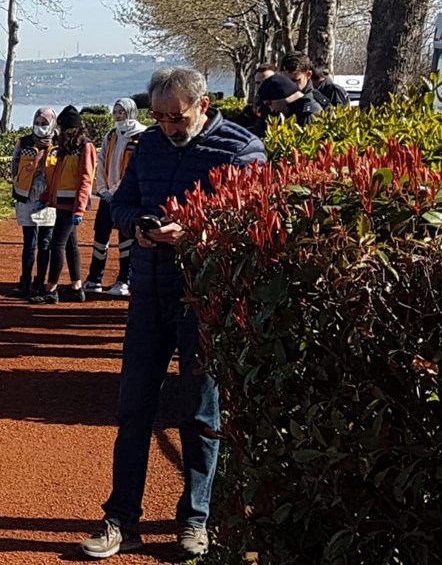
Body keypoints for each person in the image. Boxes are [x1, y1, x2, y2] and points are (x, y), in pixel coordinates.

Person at [79, 68, 265, 560]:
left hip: (202, 299)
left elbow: (253, 218)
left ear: (202, 106)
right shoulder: (150, 147)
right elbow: (123, 204)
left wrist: (197, 232)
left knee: (201, 413)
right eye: (158, 117)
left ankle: (195, 520)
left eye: (175, 118)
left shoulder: (240, 148)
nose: (165, 126)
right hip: (148, 292)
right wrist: (139, 225)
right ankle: (121, 518)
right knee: (133, 408)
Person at [28, 106, 96, 305]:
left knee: (57, 244)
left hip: (72, 205)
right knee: (69, 244)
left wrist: (80, 208)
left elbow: (86, 178)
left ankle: (51, 288)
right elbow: (56, 177)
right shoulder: (65, 148)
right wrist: (46, 197)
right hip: (62, 203)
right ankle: (76, 287)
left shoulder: (85, 146)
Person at [84, 97, 146, 297]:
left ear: (131, 113)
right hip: (106, 195)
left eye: (122, 112)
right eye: (116, 112)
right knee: (100, 236)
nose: (119, 116)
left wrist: (116, 191)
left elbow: (133, 169)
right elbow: (101, 163)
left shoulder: (142, 135)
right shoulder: (111, 135)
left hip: (129, 197)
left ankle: (124, 280)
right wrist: (102, 188)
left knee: (126, 238)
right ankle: (95, 278)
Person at [8, 108, 59, 299]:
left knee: (45, 243)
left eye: (45, 124)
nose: (40, 128)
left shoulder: (59, 144)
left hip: (50, 200)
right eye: (37, 123)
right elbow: (14, 165)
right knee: (29, 243)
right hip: (27, 197)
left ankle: (40, 282)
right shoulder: (24, 142)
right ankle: (25, 281)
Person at [258, 73, 323, 125]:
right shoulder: (286, 111)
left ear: (281, 97)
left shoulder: (310, 114)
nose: (271, 109)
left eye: (269, 104)